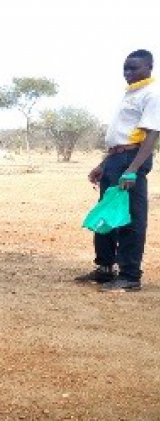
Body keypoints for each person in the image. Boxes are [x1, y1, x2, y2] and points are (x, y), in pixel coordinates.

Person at [77, 49, 159, 292]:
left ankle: (130, 275)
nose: (128, 72)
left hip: (131, 159)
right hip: (116, 159)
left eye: (134, 68)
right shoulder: (129, 95)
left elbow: (151, 135)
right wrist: (103, 165)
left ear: (149, 68)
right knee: (107, 213)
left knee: (131, 218)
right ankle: (104, 268)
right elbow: (120, 135)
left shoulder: (151, 95)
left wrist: (132, 170)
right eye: (125, 68)